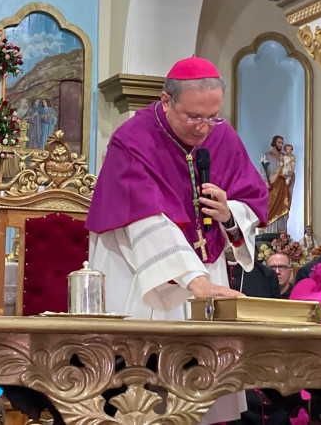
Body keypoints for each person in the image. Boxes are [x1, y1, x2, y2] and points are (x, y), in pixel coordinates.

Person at [85, 56, 268, 424]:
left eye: (212, 116)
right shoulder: (132, 139)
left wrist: (228, 213)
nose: (204, 128)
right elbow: (143, 218)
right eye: (194, 117)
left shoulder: (222, 136)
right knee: (140, 400)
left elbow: (253, 201)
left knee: (200, 399)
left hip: (206, 273)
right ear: (166, 101)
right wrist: (195, 281)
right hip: (140, 274)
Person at [261, 135, 289, 233]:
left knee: (281, 209)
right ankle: (269, 233)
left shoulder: (284, 157)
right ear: (274, 143)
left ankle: (281, 236)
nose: (281, 145)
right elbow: (263, 173)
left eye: (282, 143)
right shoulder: (267, 156)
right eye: (279, 142)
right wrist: (266, 182)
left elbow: (288, 170)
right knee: (270, 210)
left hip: (282, 187)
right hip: (271, 187)